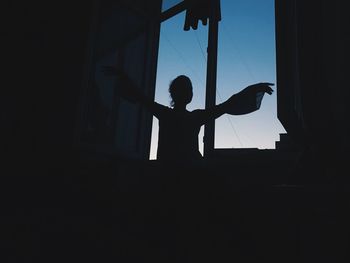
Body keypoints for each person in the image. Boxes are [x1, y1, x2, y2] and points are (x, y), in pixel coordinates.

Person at [103, 67, 273, 162]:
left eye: (190, 88)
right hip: (185, 175)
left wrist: (253, 88)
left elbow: (140, 97)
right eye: (187, 88)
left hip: (171, 174)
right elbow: (228, 104)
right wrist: (253, 89)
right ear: (176, 93)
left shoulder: (169, 114)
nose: (190, 92)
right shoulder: (194, 117)